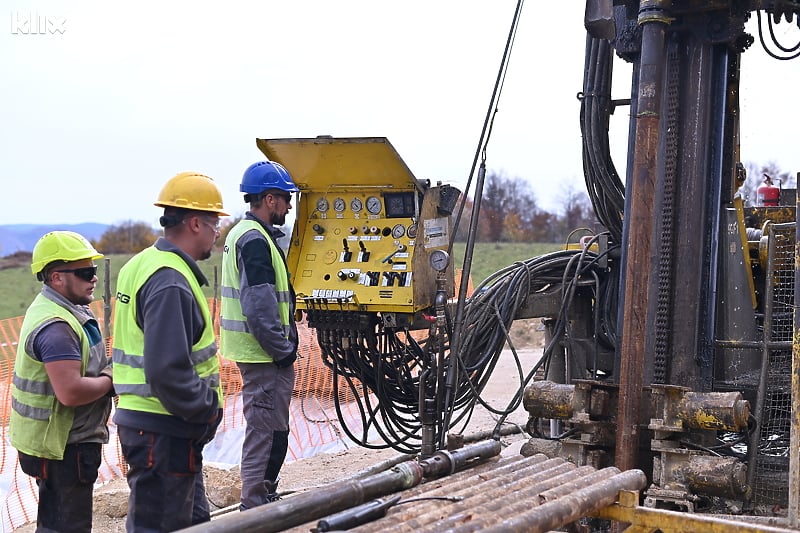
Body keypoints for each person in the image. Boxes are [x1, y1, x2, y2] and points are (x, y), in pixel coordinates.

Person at [112, 171, 227, 532]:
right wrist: (207, 411)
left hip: (154, 426)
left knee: (192, 522)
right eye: (213, 224)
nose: (217, 232)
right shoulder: (171, 280)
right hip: (164, 429)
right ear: (194, 223)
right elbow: (167, 371)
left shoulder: (142, 263)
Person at [10, 231, 114, 533]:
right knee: (68, 526)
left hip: (57, 441)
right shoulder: (57, 327)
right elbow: (70, 392)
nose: (93, 278)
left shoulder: (64, 308)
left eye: (93, 270)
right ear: (56, 277)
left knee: (56, 521)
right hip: (64, 446)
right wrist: (110, 379)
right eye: (85, 272)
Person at [220, 160, 300, 510]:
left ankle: (262, 495)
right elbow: (259, 304)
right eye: (285, 198)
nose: (288, 205)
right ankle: (254, 507)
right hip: (263, 354)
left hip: (259, 352)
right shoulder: (254, 240)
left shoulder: (246, 234)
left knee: (270, 430)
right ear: (269, 199)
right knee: (264, 433)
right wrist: (281, 350)